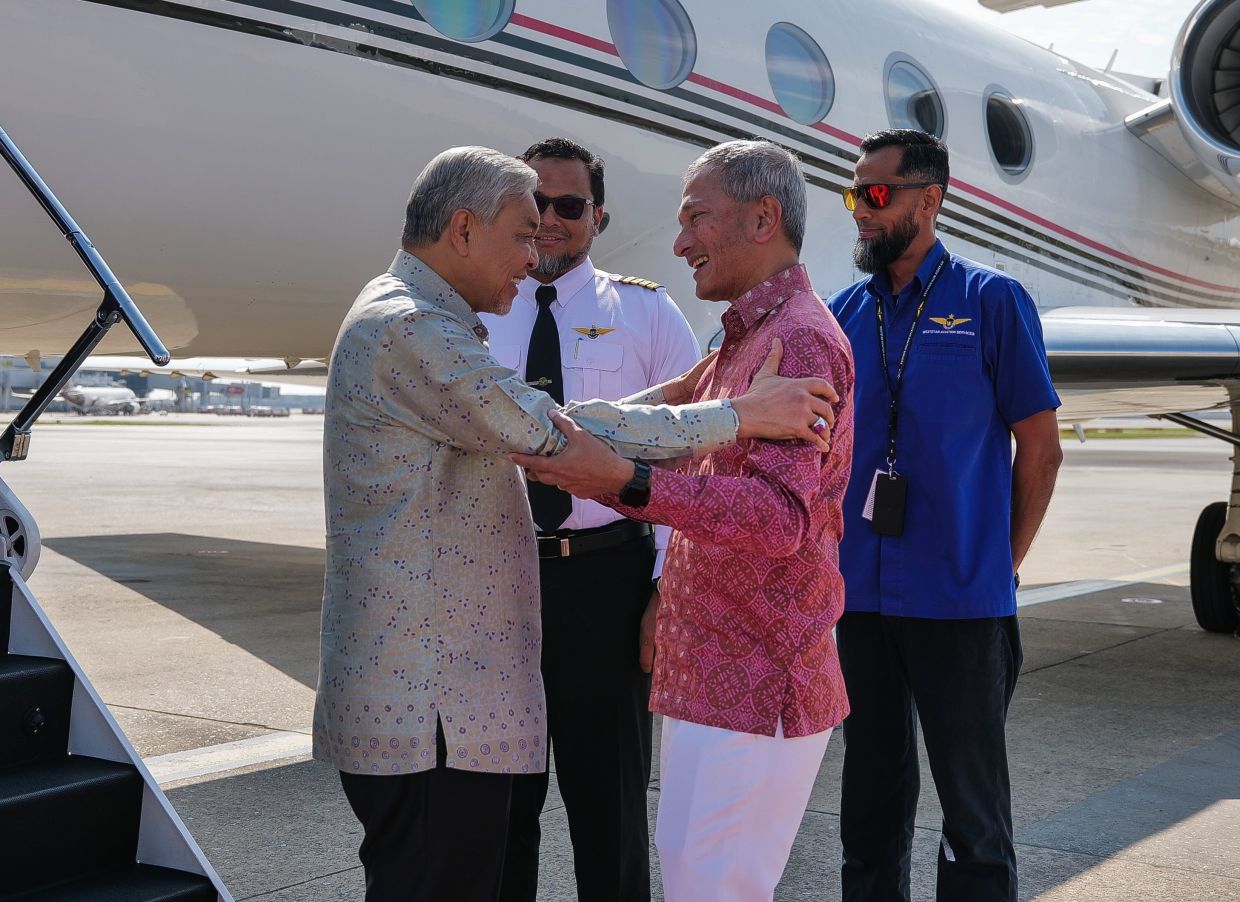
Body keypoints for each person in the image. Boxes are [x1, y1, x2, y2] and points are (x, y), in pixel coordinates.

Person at [312, 145, 838, 902]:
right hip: (429, 712)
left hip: (466, 690)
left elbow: (554, 424)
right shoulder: (411, 330)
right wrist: (735, 415)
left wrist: (695, 408)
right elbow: (549, 434)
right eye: (522, 233)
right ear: (463, 230)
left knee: (603, 821)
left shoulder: (423, 316)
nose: (534, 255)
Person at [513, 139, 855, 902]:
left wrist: (627, 484)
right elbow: (670, 409)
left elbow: (779, 520)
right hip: (713, 670)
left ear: (763, 218)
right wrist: (556, 431)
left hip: (760, 673)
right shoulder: (744, 337)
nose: (680, 241)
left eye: (697, 218)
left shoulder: (796, 338)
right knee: (692, 872)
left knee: (715, 885)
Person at [826, 129, 1063, 902]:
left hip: (960, 602)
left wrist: (1002, 565)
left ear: (928, 200)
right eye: (854, 192)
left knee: (973, 815)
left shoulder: (991, 300)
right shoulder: (843, 313)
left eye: (877, 193)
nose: (860, 209)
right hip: (860, 598)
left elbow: (1041, 448)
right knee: (869, 802)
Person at [479, 138, 699, 902]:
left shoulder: (646, 313)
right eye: (532, 204)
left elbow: (690, 463)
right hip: (496, 584)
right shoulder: (469, 316)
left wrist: (665, 595)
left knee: (609, 809)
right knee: (501, 806)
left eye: (567, 205)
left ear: (597, 217)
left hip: (606, 582)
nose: (548, 220)